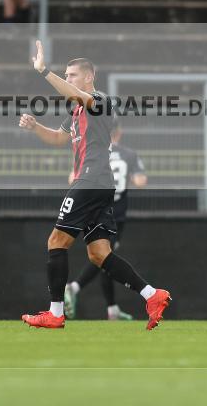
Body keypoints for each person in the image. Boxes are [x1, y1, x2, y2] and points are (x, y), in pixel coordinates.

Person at [18, 45, 171, 330]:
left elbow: (74, 94)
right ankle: (152, 295)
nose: (69, 78)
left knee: (56, 242)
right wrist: (36, 126)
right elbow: (58, 140)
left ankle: (55, 312)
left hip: (90, 181)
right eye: (66, 74)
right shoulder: (76, 110)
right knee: (99, 254)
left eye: (73, 74)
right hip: (100, 185)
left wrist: (43, 71)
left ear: (89, 77)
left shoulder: (100, 100)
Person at [64, 122, 147, 321]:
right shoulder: (129, 154)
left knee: (103, 256)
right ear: (119, 132)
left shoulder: (93, 152)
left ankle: (112, 309)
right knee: (104, 257)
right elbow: (140, 181)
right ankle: (74, 288)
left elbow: (72, 179)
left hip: (92, 206)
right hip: (114, 213)